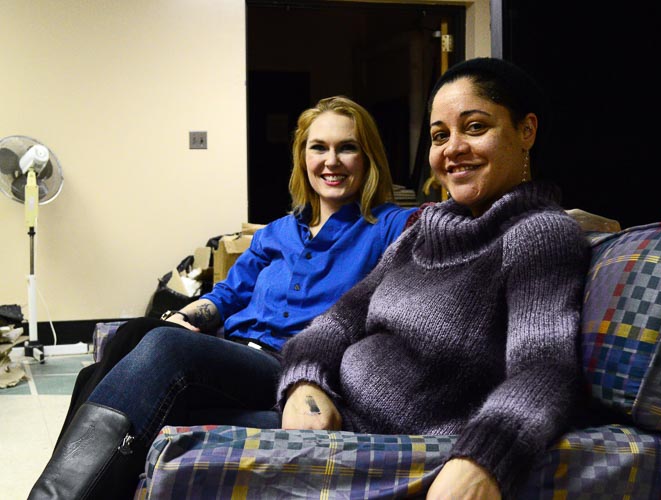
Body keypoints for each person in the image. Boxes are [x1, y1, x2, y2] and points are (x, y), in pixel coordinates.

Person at [30, 96, 417, 499]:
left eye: (347, 147)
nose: (331, 161)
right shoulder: (278, 231)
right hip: (231, 351)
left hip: (286, 368)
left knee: (160, 347)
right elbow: (228, 294)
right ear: (303, 157)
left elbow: (437, 236)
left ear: (368, 156)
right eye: (318, 147)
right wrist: (187, 318)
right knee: (131, 339)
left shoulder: (390, 227)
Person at [278, 58, 590, 499]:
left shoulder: (538, 234)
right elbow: (339, 320)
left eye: (475, 127)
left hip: (379, 450)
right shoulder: (425, 231)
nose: (453, 148)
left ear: (526, 131)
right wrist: (306, 384)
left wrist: (482, 460)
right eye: (440, 135)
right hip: (328, 413)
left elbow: (544, 368)